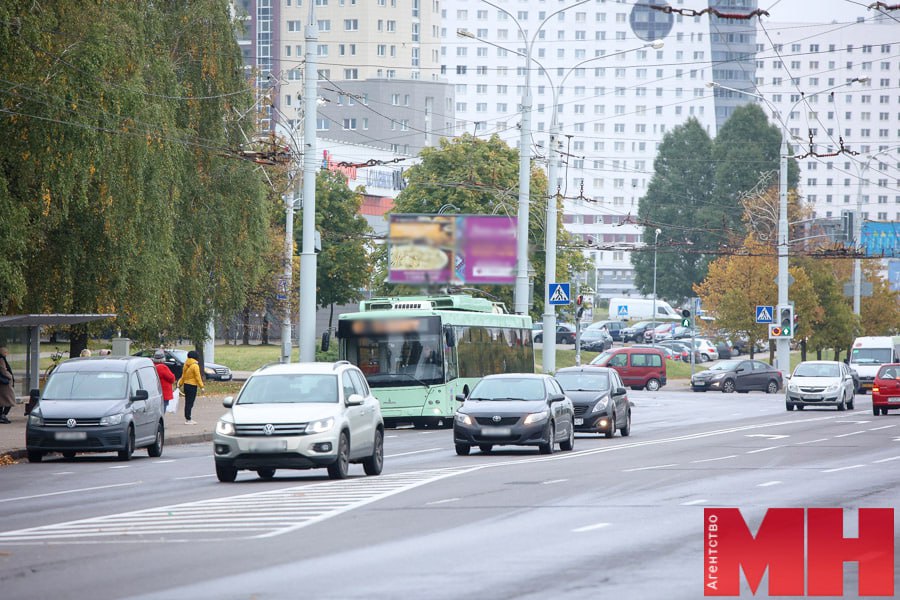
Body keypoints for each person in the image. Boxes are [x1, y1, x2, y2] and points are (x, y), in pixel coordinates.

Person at [177, 350, 204, 425]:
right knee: (190, 403)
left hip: (186, 385)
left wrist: (180, 384)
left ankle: (187, 417)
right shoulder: (195, 365)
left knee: (187, 402)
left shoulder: (186, 364)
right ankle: (188, 419)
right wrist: (202, 386)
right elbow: (198, 377)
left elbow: (183, 376)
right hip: (192, 386)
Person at [0, 347, 14, 424]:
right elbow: (3, 370)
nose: (7, 354)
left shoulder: (2, 359)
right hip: (5, 383)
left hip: (3, 383)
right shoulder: (1, 359)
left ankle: (2, 415)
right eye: (5, 352)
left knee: (3, 401)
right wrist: (10, 376)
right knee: (10, 400)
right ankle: (3, 415)